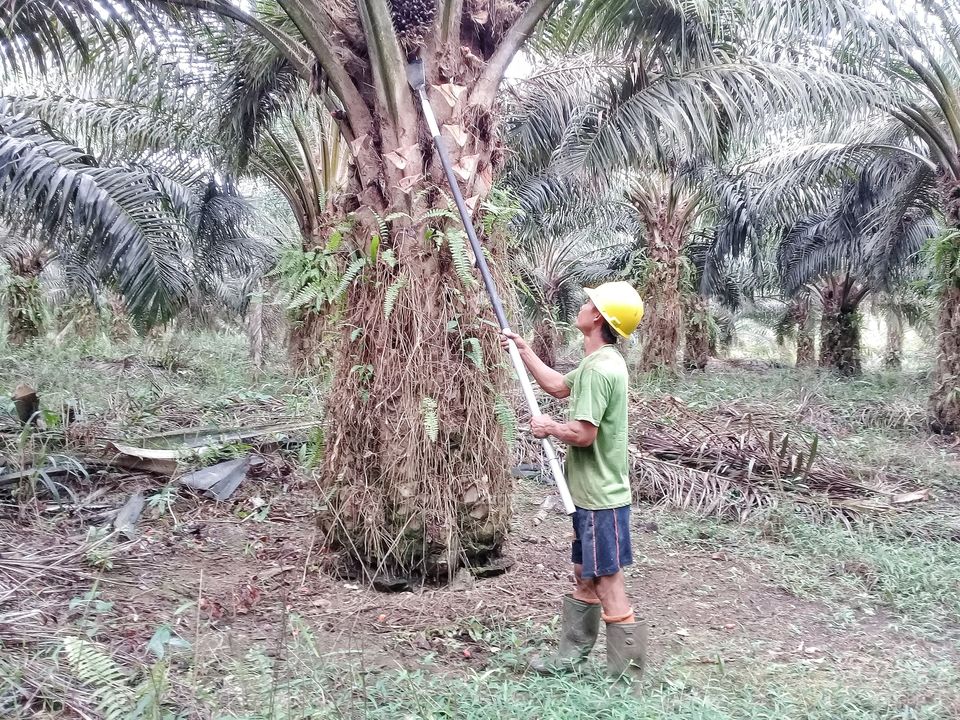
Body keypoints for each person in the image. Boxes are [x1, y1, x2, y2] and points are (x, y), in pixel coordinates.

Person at [501, 281, 646, 682]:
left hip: (602, 498)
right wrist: (524, 350)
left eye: (588, 302)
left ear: (598, 316)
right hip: (588, 495)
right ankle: (569, 660)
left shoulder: (601, 369)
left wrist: (549, 426)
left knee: (607, 580)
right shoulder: (598, 360)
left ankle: (627, 674)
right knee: (584, 575)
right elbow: (557, 386)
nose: (582, 306)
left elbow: (584, 434)